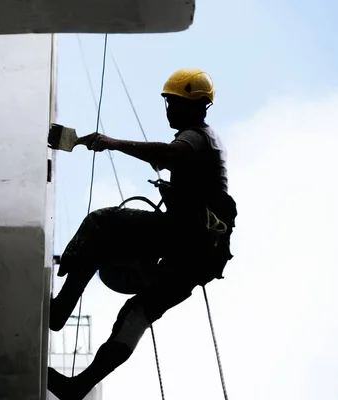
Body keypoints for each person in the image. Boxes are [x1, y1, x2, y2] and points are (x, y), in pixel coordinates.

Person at [47, 68, 238, 400]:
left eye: (174, 103)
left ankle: (59, 310)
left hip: (185, 238)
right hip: (200, 258)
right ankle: (77, 387)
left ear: (193, 106)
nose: (169, 110)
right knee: (136, 315)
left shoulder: (195, 136)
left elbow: (168, 155)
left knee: (102, 224)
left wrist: (112, 143)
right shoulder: (205, 141)